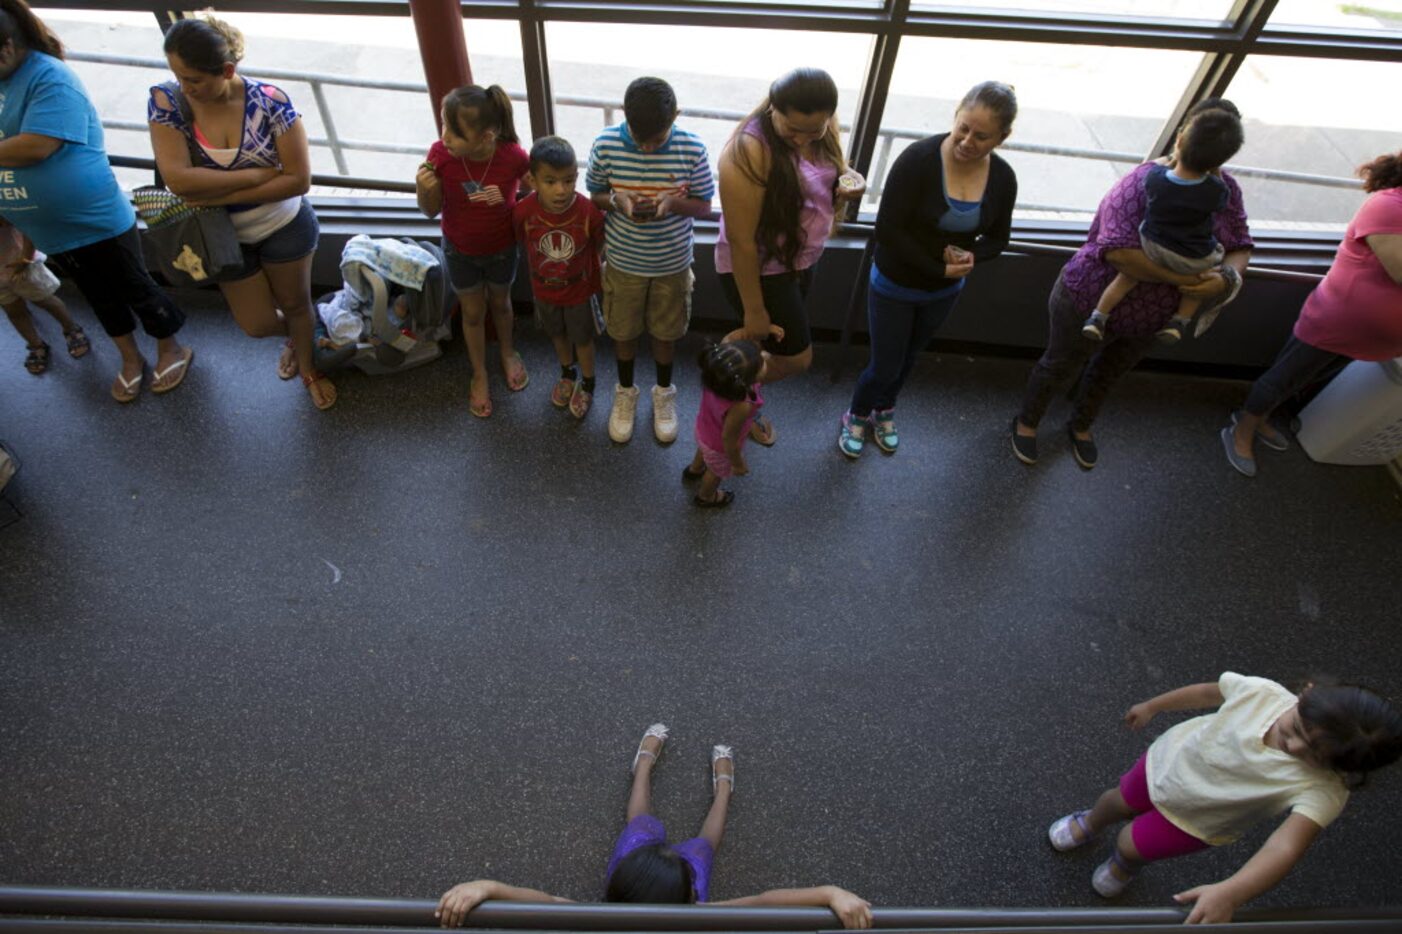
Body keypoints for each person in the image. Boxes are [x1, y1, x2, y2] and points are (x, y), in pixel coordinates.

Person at [1011, 98, 1253, 471]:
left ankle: (1082, 424)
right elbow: (1117, 253)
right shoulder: (1142, 181)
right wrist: (1186, 280)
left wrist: (1225, 279)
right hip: (1087, 299)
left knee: (1111, 372)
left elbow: (1240, 245)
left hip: (1151, 319)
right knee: (1058, 365)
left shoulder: (1227, 191)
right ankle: (1027, 421)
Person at [436, 723, 873, 929]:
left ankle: (643, 766)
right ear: (689, 898)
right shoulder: (696, 916)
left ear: (615, 889)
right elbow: (764, 901)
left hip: (644, 868)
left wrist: (489, 887)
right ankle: (722, 791)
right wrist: (829, 893)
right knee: (703, 844)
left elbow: (546, 900)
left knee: (643, 821)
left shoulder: (597, 920)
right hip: (668, 879)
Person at [1048, 673, 1402, 924]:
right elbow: (1207, 693)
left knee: (1131, 844)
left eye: (1314, 755)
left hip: (1196, 821)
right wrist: (1154, 705)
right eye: (1296, 729)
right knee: (1116, 802)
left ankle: (1124, 865)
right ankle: (1091, 822)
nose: (1293, 747)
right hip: (1165, 766)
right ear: (1306, 694)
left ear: (1342, 767)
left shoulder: (1324, 789)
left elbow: (1285, 847)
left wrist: (1233, 892)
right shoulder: (1262, 693)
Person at [0, 0, 191, 403]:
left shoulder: (50, 77)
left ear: (6, 47)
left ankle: (172, 347)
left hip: (95, 220)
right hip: (48, 230)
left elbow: (37, 146)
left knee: (136, 288)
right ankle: (130, 357)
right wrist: (24, 236)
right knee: (97, 296)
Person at [149, 14, 332, 410]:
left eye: (194, 80)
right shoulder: (167, 102)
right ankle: (307, 335)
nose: (184, 88)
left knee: (298, 304)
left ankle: (308, 364)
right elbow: (178, 180)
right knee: (256, 324)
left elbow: (299, 181)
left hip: (283, 223)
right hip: (220, 235)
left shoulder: (271, 101)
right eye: (178, 76)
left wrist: (212, 189)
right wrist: (254, 177)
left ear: (227, 70)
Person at [838, 81, 1018, 458]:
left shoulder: (1002, 178)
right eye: (963, 128)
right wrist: (938, 268)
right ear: (954, 117)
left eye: (982, 136)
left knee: (908, 358)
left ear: (1002, 137)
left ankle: (885, 409)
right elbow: (887, 230)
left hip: (944, 291)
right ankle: (856, 413)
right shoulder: (918, 160)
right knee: (885, 363)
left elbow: (998, 238)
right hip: (895, 284)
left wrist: (973, 258)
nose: (968, 141)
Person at [1223, 150, 1402, 477]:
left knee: (1306, 378)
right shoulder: (1388, 206)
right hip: (1338, 321)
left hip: (1373, 336)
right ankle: (1241, 429)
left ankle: (1259, 419)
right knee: (1283, 378)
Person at [716, 68, 865, 446]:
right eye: (792, 129)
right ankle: (723, 388)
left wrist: (849, 183)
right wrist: (754, 310)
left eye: (812, 131)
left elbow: (819, 173)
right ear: (773, 110)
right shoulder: (747, 151)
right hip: (760, 269)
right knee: (796, 358)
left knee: (766, 349)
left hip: (799, 259)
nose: (801, 139)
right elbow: (741, 240)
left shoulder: (821, 129)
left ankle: (745, 402)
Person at [587, 77, 714, 444]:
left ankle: (664, 392)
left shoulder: (692, 149)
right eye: (640, 138)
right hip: (624, 261)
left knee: (666, 332)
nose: (646, 147)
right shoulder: (606, 143)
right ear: (624, 114)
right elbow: (595, 193)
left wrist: (672, 204)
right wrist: (618, 202)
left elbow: (705, 205)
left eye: (656, 140)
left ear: (676, 115)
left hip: (672, 264)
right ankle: (625, 391)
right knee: (622, 331)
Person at [1082, 108, 1244, 345]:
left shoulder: (1152, 177)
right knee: (1197, 281)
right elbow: (1234, 228)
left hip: (1152, 247)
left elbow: (1120, 250)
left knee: (1126, 278)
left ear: (1179, 138)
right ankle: (1179, 321)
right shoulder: (1219, 190)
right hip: (1192, 259)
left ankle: (1098, 316)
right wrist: (1188, 280)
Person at [416, 84, 530, 418]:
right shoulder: (440, 156)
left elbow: (535, 187)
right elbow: (428, 210)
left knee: (502, 304)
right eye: (443, 125)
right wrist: (423, 190)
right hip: (459, 250)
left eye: (455, 131)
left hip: (502, 249)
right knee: (472, 313)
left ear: (486, 136)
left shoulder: (512, 156)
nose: (445, 137)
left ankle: (508, 353)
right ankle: (479, 372)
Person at [513, 136, 604, 419]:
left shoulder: (588, 211)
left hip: (579, 291)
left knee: (583, 338)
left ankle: (588, 383)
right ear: (532, 179)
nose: (560, 190)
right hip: (544, 291)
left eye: (567, 180)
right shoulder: (523, 212)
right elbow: (523, 243)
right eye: (550, 181)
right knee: (557, 334)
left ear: (577, 177)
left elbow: (598, 245)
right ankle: (567, 373)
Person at [683, 338, 770, 508]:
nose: (765, 361)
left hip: (704, 429)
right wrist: (737, 463)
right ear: (747, 380)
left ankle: (694, 470)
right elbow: (729, 439)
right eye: (761, 363)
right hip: (719, 445)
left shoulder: (717, 377)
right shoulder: (741, 405)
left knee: (704, 450)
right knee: (716, 472)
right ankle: (706, 496)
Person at [0, 216, 88, 374]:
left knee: (45, 300)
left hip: (19, 262)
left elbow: (24, 222)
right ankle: (35, 344)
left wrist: (26, 258)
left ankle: (70, 328)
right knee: (13, 311)